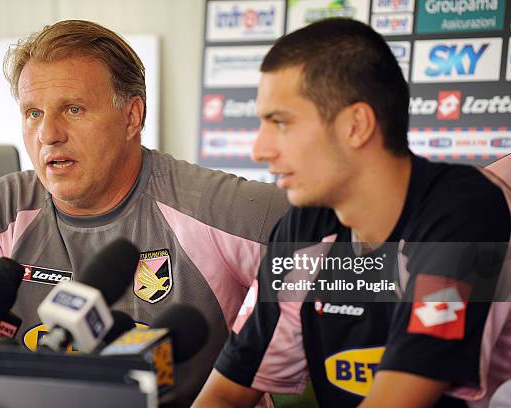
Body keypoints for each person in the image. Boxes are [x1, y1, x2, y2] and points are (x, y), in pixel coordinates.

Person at [0, 20, 288, 405]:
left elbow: (352, 258)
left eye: (73, 109)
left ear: (131, 117)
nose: (49, 133)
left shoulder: (213, 207)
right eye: (33, 113)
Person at [194, 18, 511, 408]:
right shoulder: (303, 228)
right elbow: (225, 395)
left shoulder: (464, 210)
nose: (260, 150)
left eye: (280, 122)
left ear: (356, 125)